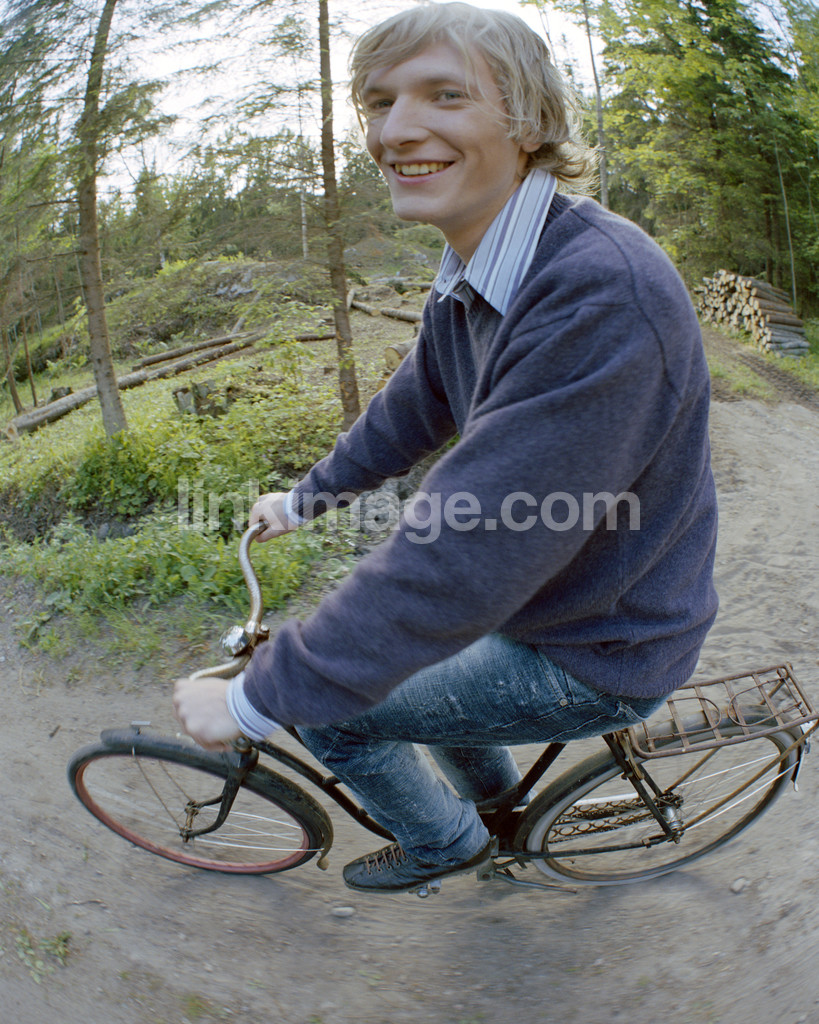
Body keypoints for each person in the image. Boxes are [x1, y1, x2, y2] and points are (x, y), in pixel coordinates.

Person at [174, 2, 718, 894]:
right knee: (414, 669)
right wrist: (306, 498)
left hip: (598, 645)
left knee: (336, 712)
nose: (396, 130)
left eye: (444, 95)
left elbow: (471, 546)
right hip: (544, 601)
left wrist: (258, 695)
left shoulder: (598, 292)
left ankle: (444, 846)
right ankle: (498, 817)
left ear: (528, 122)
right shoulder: (483, 261)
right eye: (379, 102)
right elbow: (416, 403)